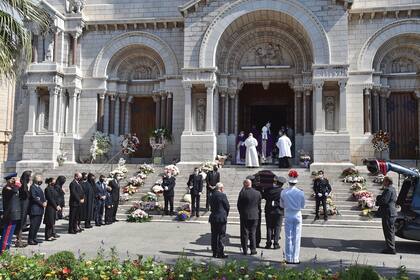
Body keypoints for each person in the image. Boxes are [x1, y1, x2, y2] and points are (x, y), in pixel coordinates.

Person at [280, 170, 305, 264]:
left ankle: (288, 258)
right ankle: (295, 258)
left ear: (288, 181)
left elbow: (282, 205)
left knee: (288, 236)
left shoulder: (284, 192)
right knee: (297, 237)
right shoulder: (300, 192)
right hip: (297, 214)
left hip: (288, 214)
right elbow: (303, 206)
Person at [237, 179, 262, 255]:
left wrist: (241, 212)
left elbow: (239, 205)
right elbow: (259, 204)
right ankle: (253, 250)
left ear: (245, 185)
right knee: (253, 233)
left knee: (245, 233)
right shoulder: (257, 193)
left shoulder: (242, 193)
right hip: (254, 215)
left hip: (245, 215)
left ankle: (245, 250)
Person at [263, 176, 286, 249]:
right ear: (282, 184)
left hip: (269, 210)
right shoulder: (283, 191)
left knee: (269, 227)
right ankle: (276, 243)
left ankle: (268, 243)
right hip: (278, 211)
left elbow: (264, 196)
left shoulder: (268, 189)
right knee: (277, 227)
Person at [376, 176, 397, 254]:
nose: (383, 182)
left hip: (388, 213)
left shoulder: (388, 189)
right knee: (390, 231)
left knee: (388, 231)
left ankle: (391, 249)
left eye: (384, 181)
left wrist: (378, 199)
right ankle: (391, 247)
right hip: (392, 213)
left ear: (387, 182)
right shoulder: (393, 189)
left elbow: (384, 201)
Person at [1, 173, 22, 253]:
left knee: (9, 233)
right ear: (9, 180)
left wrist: (17, 183)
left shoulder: (12, 188)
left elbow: (19, 190)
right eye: (13, 179)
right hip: (10, 215)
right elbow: (15, 190)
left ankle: (6, 249)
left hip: (14, 214)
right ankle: (3, 250)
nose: (14, 181)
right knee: (7, 233)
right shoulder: (7, 188)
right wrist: (17, 183)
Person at [209, 182, 230, 258]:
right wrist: (225, 214)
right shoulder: (222, 195)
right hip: (221, 217)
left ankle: (214, 252)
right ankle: (220, 253)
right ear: (221, 188)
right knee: (221, 235)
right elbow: (227, 206)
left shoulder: (211, 195)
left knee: (214, 235)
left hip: (213, 217)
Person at [28, 174, 46, 245]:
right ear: (35, 180)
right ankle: (30, 239)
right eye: (39, 180)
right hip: (35, 209)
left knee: (37, 225)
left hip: (40, 210)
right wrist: (42, 203)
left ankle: (34, 238)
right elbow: (34, 197)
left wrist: (44, 201)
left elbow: (42, 197)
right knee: (33, 225)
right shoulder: (33, 187)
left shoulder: (39, 188)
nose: (40, 182)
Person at [16, 170, 32, 247]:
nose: (31, 178)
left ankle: (19, 239)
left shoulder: (25, 184)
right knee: (21, 223)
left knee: (22, 223)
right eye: (30, 176)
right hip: (22, 205)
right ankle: (18, 241)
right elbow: (26, 195)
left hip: (25, 205)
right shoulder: (22, 185)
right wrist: (28, 187)